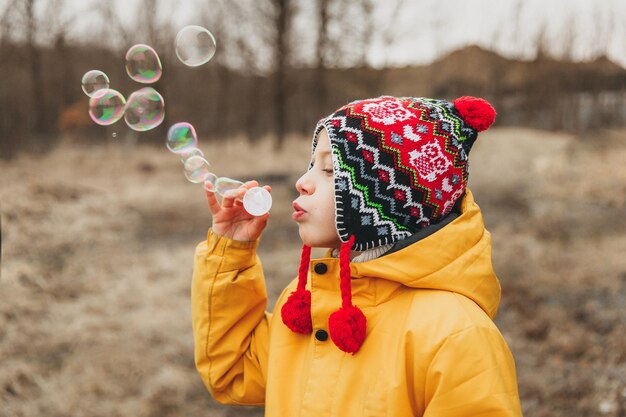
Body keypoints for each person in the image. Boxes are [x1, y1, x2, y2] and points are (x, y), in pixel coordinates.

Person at [191, 95, 523, 416]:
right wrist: (231, 251)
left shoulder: (456, 336)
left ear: (386, 201)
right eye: (311, 166)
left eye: (330, 170)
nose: (302, 182)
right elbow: (233, 372)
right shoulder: (309, 300)